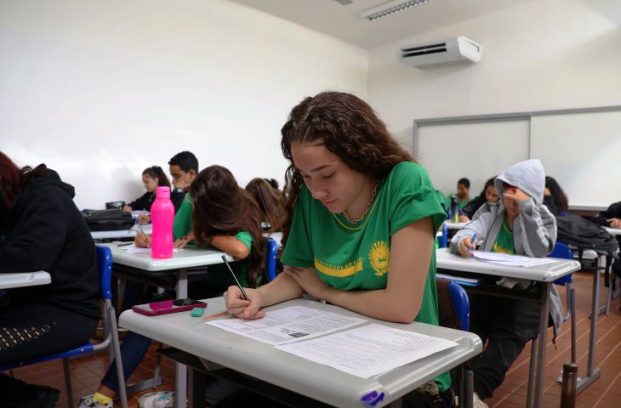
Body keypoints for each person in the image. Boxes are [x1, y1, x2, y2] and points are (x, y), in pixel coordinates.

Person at [224, 91, 453, 407]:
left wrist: (326, 293)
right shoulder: (312, 197)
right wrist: (258, 296)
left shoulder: (405, 182)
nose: (317, 191)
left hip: (409, 374)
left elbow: (401, 307)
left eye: (328, 174)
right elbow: (299, 275)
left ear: (362, 155)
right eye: (305, 176)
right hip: (337, 357)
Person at [80, 165, 265, 408]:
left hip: (240, 294)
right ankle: (104, 396)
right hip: (211, 288)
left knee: (181, 324)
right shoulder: (199, 203)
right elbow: (175, 233)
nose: (195, 206)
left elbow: (241, 249)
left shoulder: (243, 207)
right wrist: (153, 237)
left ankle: (184, 396)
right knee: (150, 314)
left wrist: (203, 233)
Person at [449, 159, 560, 406]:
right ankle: (454, 386)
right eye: (506, 186)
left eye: (515, 188)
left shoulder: (544, 218)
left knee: (508, 330)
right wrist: (464, 241)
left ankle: (474, 392)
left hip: (530, 293)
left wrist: (527, 211)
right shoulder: (491, 212)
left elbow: (537, 251)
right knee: (468, 323)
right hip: (492, 287)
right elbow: (469, 230)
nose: (508, 193)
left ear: (529, 192)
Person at [0, 152, 100, 407]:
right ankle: (29, 397)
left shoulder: (46, 198)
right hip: (30, 303)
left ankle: (30, 398)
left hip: (68, 311)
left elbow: (30, 256)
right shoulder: (15, 206)